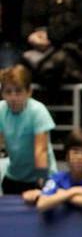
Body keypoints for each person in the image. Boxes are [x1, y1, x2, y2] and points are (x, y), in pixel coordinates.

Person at [23, 127, 82, 211]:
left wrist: (61, 195)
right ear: (67, 156)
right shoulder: (56, 178)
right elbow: (42, 204)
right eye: (75, 151)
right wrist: (73, 192)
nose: (79, 157)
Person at [0, 66, 54, 195]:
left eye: (18, 91)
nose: (13, 97)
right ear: (2, 94)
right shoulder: (1, 110)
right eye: (8, 92)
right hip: (14, 174)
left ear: (29, 92)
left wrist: (43, 182)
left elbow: (40, 151)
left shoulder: (38, 111)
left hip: (39, 175)